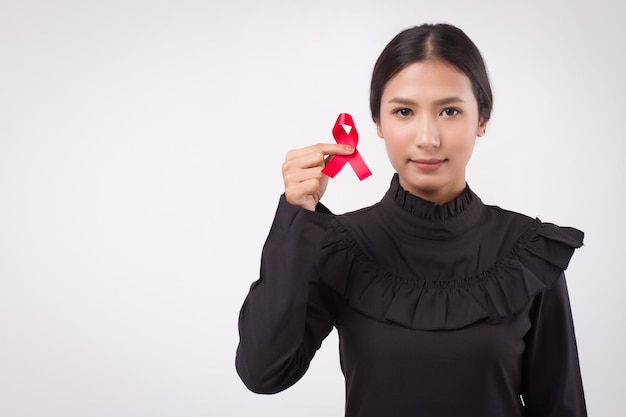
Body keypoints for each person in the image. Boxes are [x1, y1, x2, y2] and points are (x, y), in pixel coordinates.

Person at [235, 23, 587, 417]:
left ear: (482, 120)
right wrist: (296, 216)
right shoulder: (340, 245)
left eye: (450, 111)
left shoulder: (529, 252)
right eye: (404, 111)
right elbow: (264, 373)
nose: (427, 137)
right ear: (378, 123)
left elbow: (561, 406)